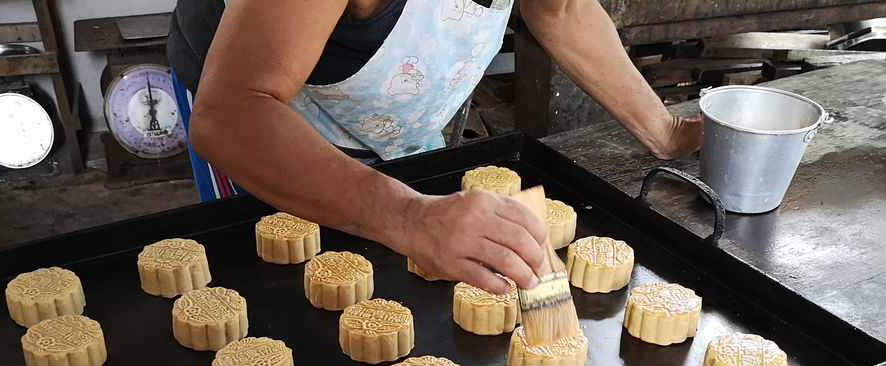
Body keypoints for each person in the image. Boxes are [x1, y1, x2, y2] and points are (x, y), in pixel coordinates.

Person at [168, 0, 702, 294]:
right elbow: (232, 112)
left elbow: (560, 10)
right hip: (265, 112)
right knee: (282, 283)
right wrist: (408, 217)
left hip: (378, 102)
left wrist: (665, 129)